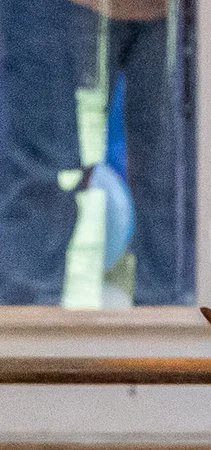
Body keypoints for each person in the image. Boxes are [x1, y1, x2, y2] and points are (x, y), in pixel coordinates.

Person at [0, 0, 195, 306]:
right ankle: (26, 343)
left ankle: (177, 347)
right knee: (39, 187)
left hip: (172, 13)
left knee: (173, 195)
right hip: (53, 10)